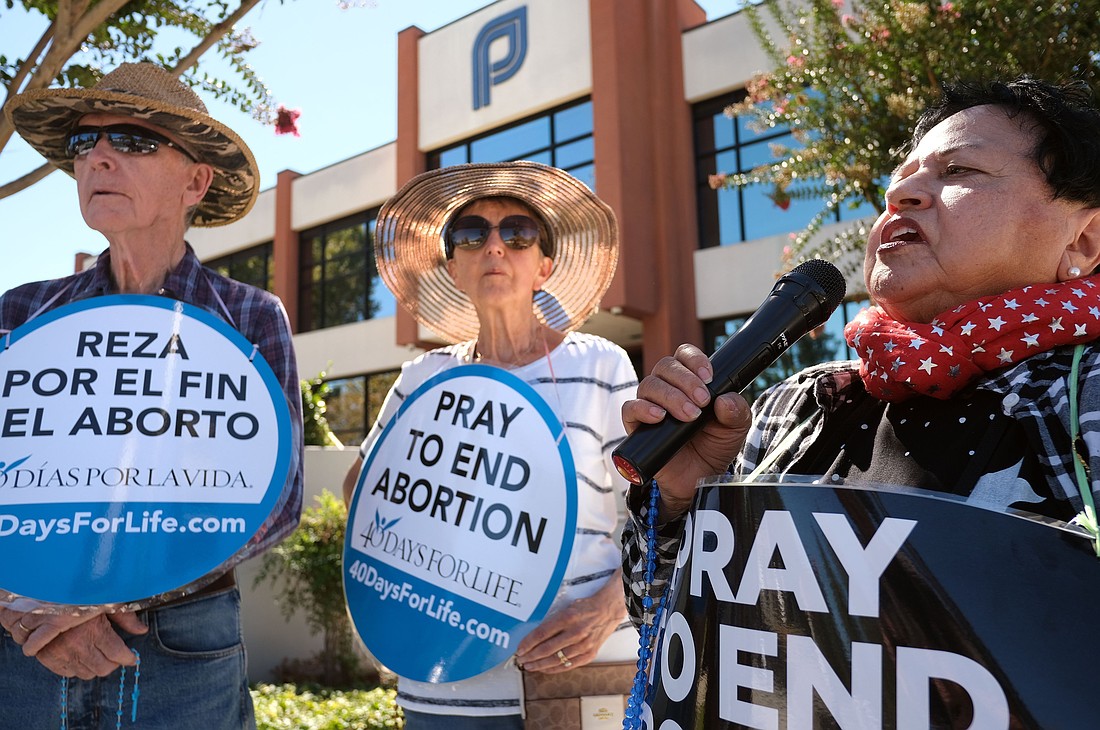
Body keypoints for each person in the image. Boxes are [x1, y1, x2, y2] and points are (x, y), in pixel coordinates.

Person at [621, 76, 1100, 623]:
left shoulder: (1085, 395)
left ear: (1081, 241)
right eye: (899, 179)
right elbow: (668, 634)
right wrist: (684, 502)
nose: (899, 195)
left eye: (959, 170)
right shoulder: (794, 408)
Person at [0, 63, 303, 728]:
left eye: (132, 141)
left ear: (196, 181)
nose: (99, 156)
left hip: (181, 646)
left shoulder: (250, 318)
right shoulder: (19, 316)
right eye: (85, 143)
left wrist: (99, 594)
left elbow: (278, 502)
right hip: (21, 641)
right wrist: (18, 605)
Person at [342, 160, 638, 728]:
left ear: (544, 266)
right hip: (445, 686)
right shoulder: (423, 379)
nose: (495, 247)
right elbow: (364, 490)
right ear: (454, 266)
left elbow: (657, 509)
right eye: (471, 235)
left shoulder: (601, 367)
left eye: (518, 234)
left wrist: (610, 607)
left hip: (579, 672)